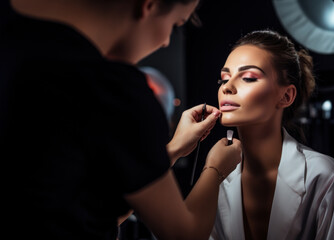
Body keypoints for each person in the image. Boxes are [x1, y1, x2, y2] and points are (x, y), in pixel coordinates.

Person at [0, 0, 242, 239]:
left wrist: (174, 149)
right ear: (148, 6)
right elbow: (182, 234)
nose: (167, 41)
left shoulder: (19, 46)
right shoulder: (112, 90)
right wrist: (215, 168)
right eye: (175, 24)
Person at [210, 30, 334, 240]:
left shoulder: (326, 178)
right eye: (223, 79)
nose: (227, 88)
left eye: (249, 78)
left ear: (286, 96)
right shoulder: (217, 178)